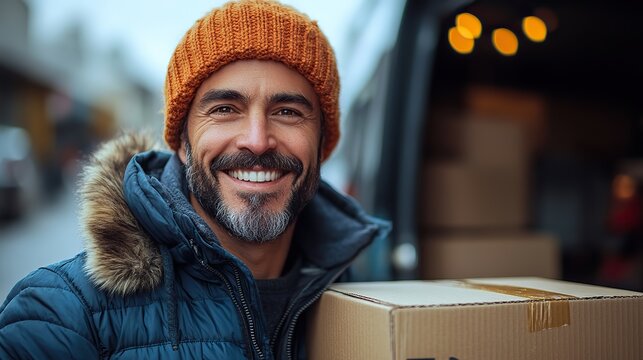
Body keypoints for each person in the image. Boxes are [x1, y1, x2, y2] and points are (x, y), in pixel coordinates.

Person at [0, 1, 390, 358]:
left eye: (287, 112)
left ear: (322, 144)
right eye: (225, 109)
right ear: (183, 144)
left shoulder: (371, 298)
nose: (256, 140)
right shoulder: (63, 315)